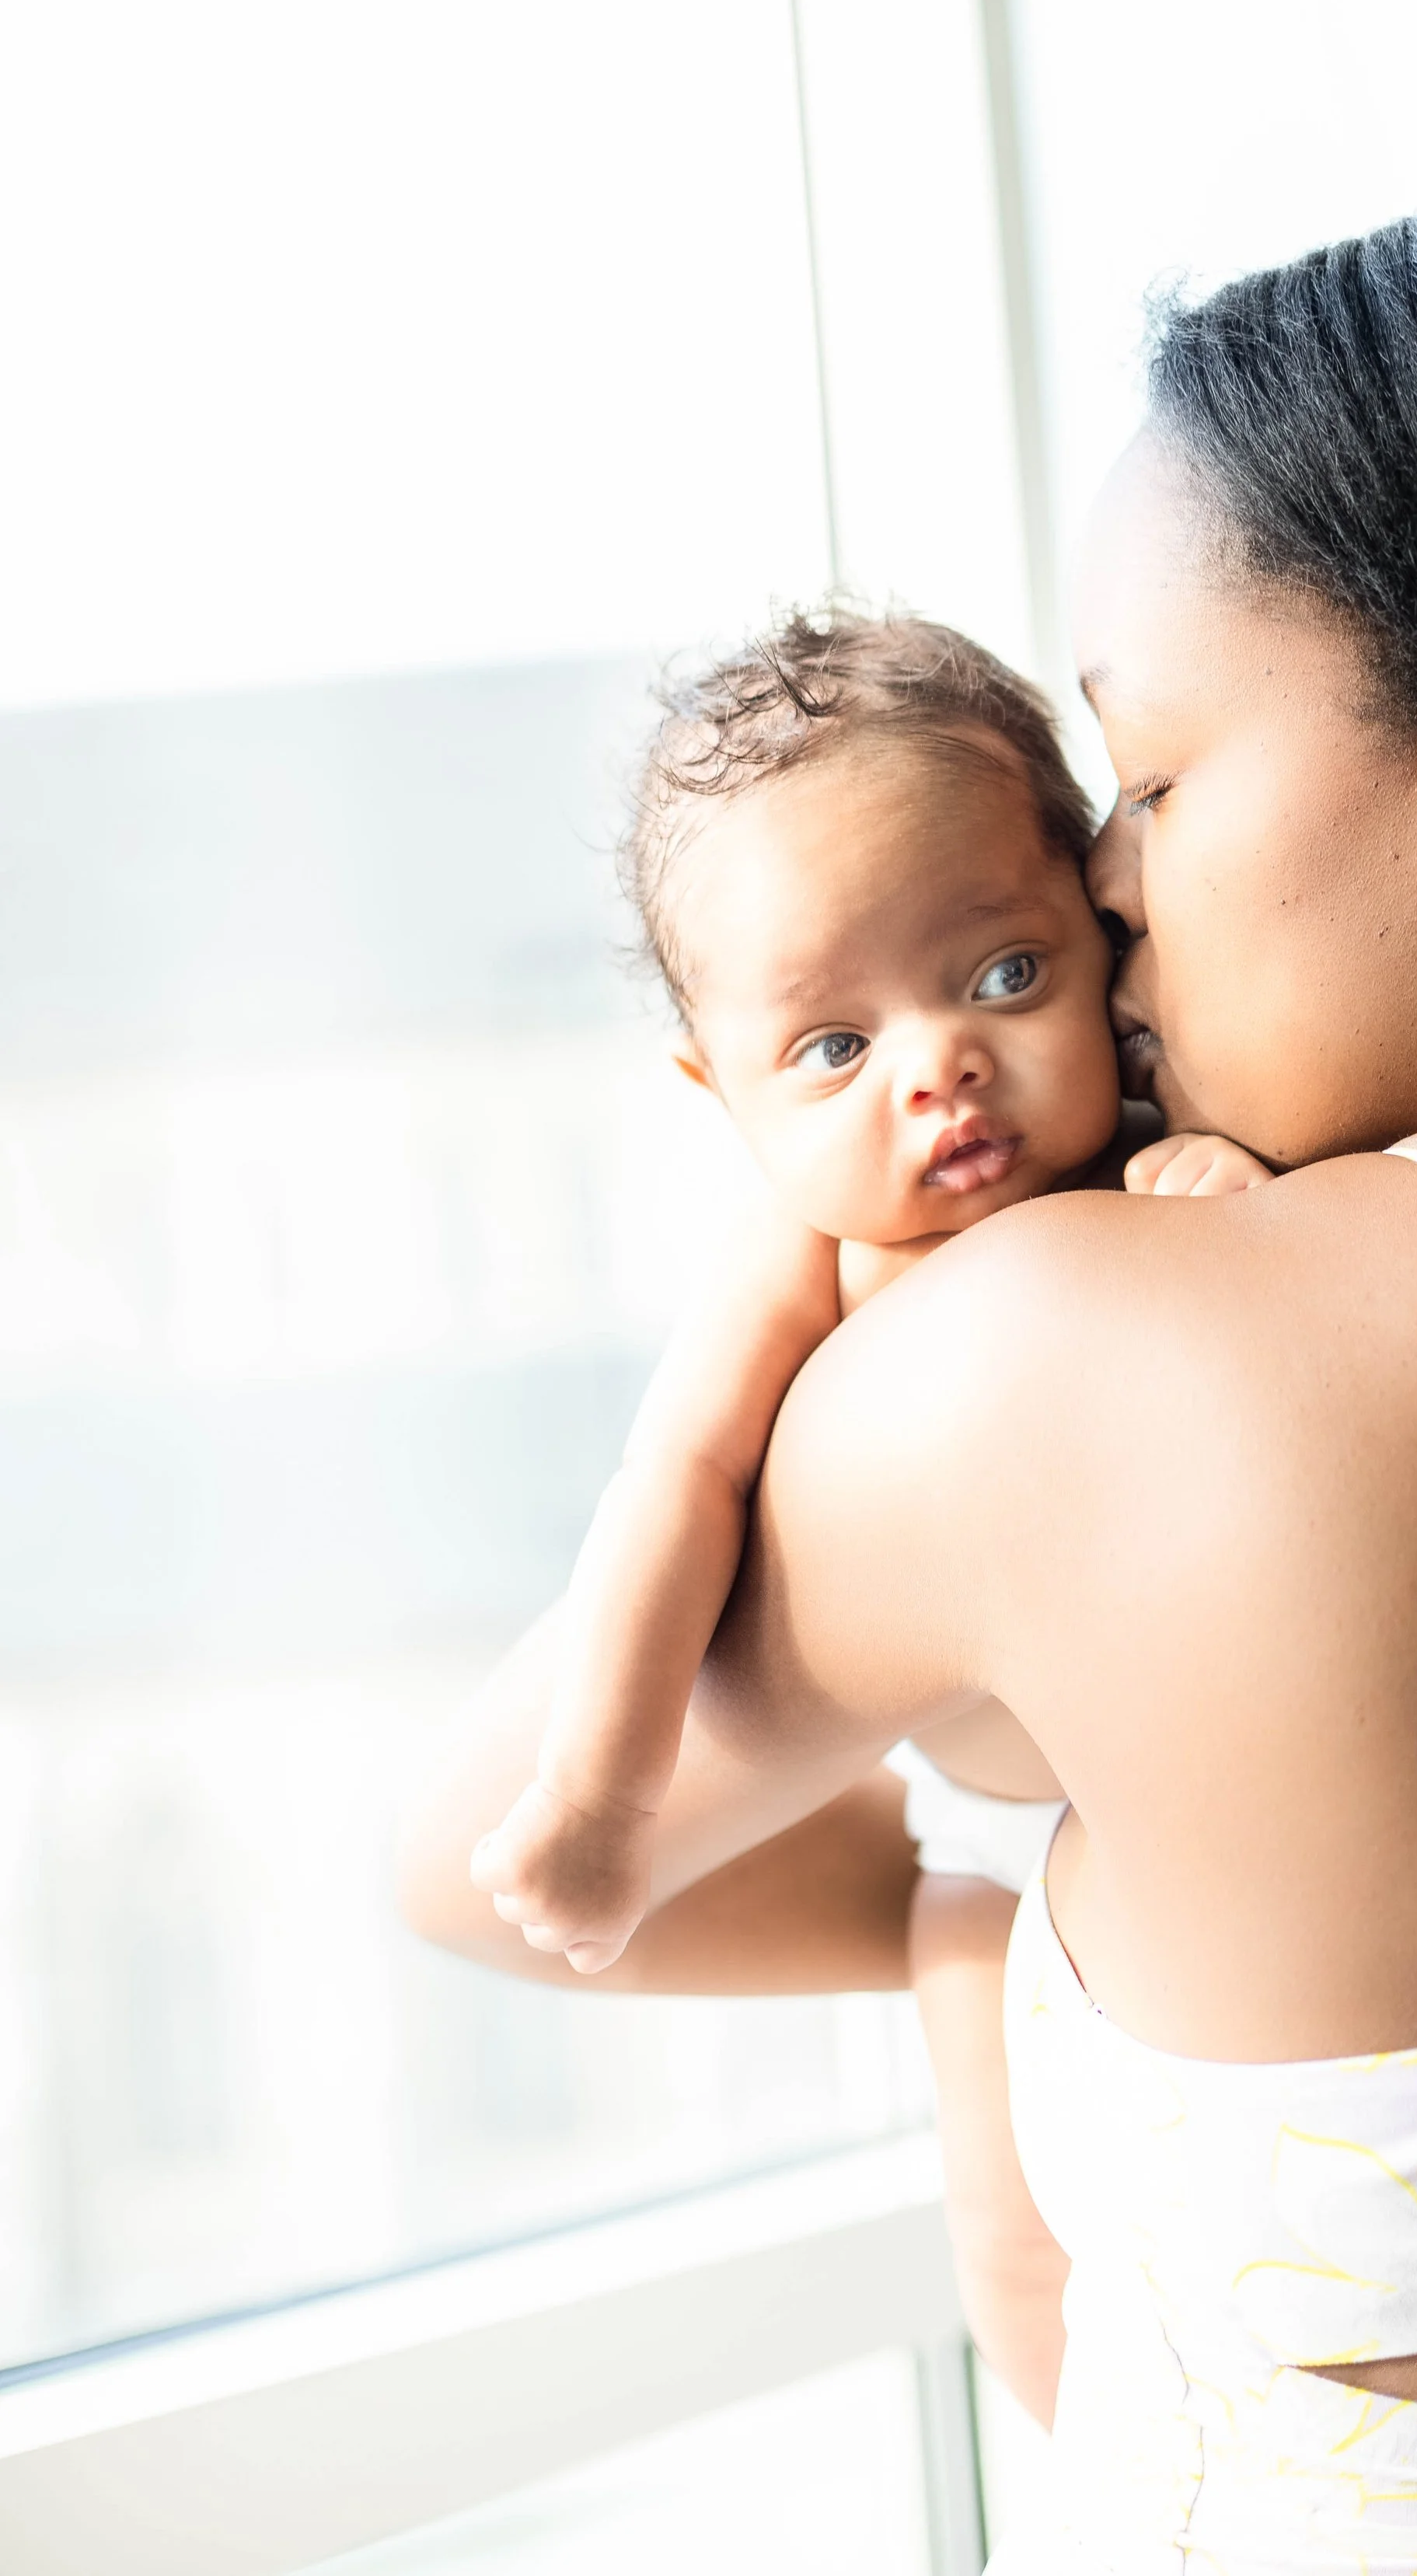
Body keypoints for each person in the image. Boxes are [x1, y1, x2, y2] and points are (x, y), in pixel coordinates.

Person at [402, 168, 1417, 2572]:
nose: (1100, 887)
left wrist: (970, 1898)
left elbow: (480, 1866)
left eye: (1147, 776)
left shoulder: (1065, 1362)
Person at [464, 606, 1263, 2424]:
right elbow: (673, 1488)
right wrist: (600, 1795)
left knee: (1219, 2178)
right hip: (981, 1847)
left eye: (1003, 975)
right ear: (719, 1090)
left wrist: (1212, 1174)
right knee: (1016, 2247)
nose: (935, 1068)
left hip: (1195, 1808)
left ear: (1101, 935)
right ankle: (1096, 2485)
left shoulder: (1153, 1142)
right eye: (831, 1047)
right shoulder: (807, 1257)